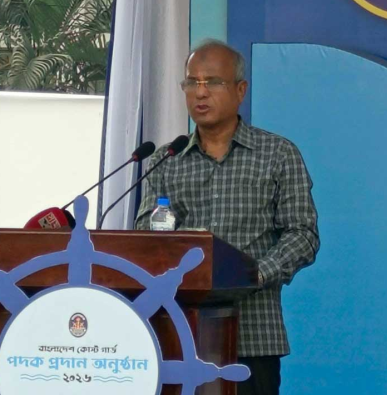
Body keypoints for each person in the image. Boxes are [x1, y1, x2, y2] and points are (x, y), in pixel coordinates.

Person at [135, 39, 319, 394]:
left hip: (254, 335)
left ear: (240, 90)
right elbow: (146, 234)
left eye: (213, 82)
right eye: (192, 82)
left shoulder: (278, 154)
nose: (200, 92)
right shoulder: (166, 160)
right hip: (180, 333)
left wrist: (255, 273)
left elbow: (303, 234)